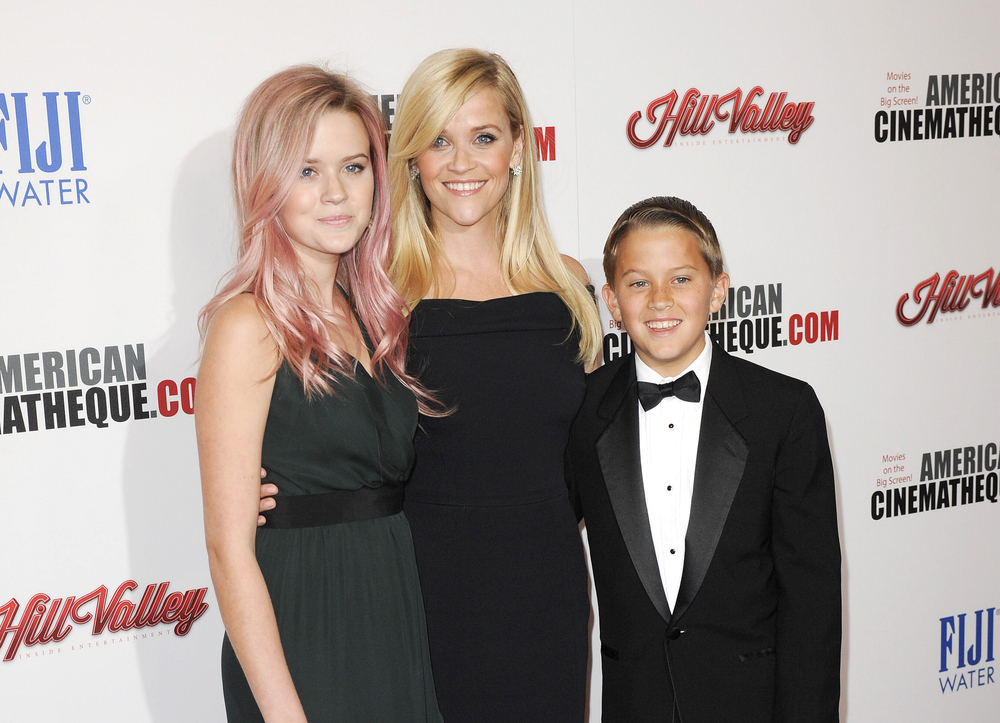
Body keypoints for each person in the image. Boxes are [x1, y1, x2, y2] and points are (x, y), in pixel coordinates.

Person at [196, 65, 442, 723]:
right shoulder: (248, 325)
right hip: (302, 630)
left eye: (354, 167)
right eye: (308, 171)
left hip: (389, 621)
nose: (336, 193)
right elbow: (228, 552)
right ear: (267, 183)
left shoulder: (373, 314)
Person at [566, 196, 842, 723]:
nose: (660, 300)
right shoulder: (581, 412)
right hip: (634, 705)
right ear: (612, 302)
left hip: (750, 706)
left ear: (717, 290)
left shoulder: (784, 411)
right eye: (638, 283)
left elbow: (812, 603)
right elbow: (535, 537)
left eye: (681, 279)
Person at [388, 48, 601, 722]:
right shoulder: (379, 295)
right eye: (438, 141)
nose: (461, 163)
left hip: (547, 595)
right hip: (419, 599)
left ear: (518, 149)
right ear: (412, 159)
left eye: (483, 137)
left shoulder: (567, 286)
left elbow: (594, 451)